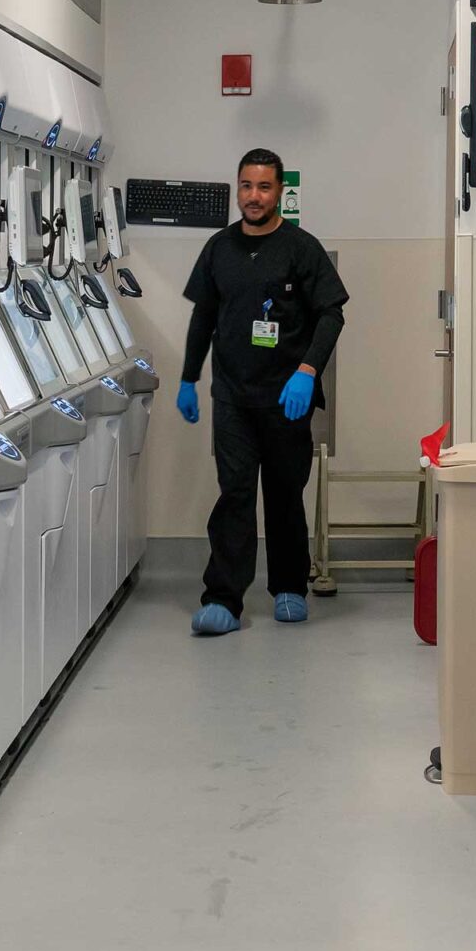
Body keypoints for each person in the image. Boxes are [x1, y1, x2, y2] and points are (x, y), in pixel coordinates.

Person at [177, 148, 348, 637]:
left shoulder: (301, 247)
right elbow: (203, 317)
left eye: (264, 187)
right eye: (247, 187)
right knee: (233, 495)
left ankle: (290, 587)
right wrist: (189, 377)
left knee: (283, 494)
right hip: (232, 396)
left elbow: (332, 314)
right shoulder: (219, 248)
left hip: (285, 396)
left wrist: (308, 371)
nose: (254, 197)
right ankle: (224, 599)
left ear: (280, 192)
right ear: (238, 189)